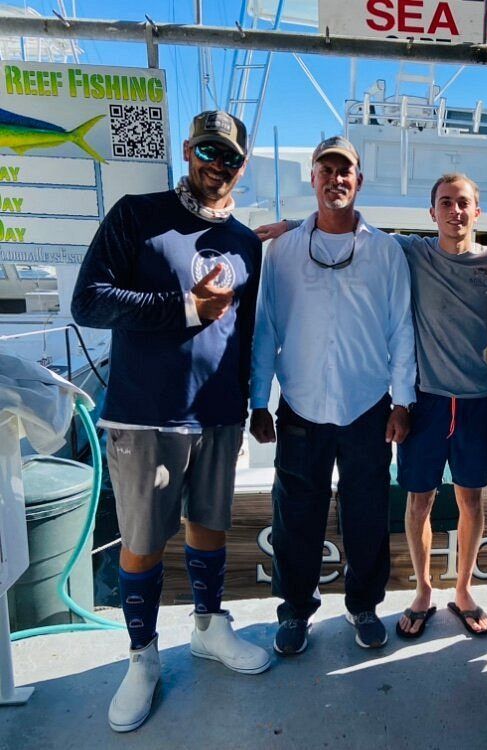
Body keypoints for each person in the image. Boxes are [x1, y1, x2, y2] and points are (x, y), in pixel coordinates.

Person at [71, 110, 269, 733]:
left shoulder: (245, 242)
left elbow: (248, 330)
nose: (218, 163)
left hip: (217, 414)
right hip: (145, 414)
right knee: (142, 542)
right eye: (208, 149)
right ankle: (142, 657)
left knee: (209, 526)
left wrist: (250, 402)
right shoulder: (136, 213)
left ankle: (209, 627)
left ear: (242, 165)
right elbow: (89, 301)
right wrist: (183, 307)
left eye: (231, 157)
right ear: (188, 149)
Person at [257, 173, 487, 639]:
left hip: (476, 400)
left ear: (478, 212)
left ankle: (464, 590)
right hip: (427, 400)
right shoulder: (410, 251)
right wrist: (293, 225)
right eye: (446, 202)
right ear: (432, 213)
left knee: (468, 499)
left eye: (464, 204)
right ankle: (421, 593)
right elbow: (343, 223)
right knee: (418, 501)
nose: (455, 211)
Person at [249, 136, 416, 654]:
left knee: (366, 511)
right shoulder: (283, 249)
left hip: (367, 405)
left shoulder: (386, 251)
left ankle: (364, 606)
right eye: (326, 169)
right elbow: (265, 329)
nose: (335, 179)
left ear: (358, 181)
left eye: (346, 170)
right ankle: (296, 611)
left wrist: (404, 400)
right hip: (299, 404)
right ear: (314, 178)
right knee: (296, 514)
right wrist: (258, 400)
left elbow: (401, 330)